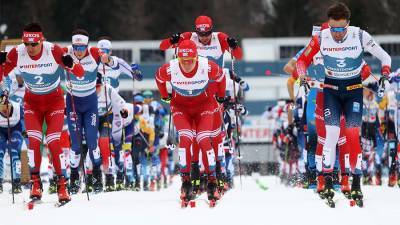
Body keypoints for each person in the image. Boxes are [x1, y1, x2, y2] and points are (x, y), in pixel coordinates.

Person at [296, 2, 392, 205]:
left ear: (348, 24)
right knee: (330, 134)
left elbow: (385, 56)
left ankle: (355, 183)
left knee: (351, 135)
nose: (337, 34)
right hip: (330, 90)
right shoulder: (321, 37)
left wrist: (384, 75)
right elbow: (302, 61)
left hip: (353, 91)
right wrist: (303, 77)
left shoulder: (359, 35)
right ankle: (328, 180)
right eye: (333, 29)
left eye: (341, 29)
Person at [0, 22, 84, 203]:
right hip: (32, 103)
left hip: (54, 102)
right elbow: (3, 74)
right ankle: (35, 183)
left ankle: (62, 184)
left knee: (53, 142)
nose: (30, 48)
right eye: (27, 44)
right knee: (34, 142)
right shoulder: (17, 52)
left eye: (34, 44)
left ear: (41, 41)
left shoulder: (53, 50)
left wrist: (71, 64)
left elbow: (79, 72)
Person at [155, 40, 226, 205]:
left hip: (204, 106)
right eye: (183, 61)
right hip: (181, 107)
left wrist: (221, 96)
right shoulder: (170, 68)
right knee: (185, 139)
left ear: (196, 57)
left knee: (202, 138)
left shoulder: (206, 66)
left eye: (190, 61)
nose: (187, 65)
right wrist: (164, 94)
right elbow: (158, 78)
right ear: (178, 59)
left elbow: (221, 77)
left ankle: (212, 182)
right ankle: (186, 182)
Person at [64, 29, 115, 194]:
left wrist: (107, 58)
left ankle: (97, 176)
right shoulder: (67, 52)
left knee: (93, 142)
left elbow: (108, 58)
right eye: (76, 47)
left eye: (82, 47)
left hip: (90, 103)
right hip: (73, 103)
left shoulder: (93, 52)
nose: (78, 51)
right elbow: (50, 51)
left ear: (87, 46)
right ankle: (73, 177)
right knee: (76, 143)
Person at [0, 92, 24, 194]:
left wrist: (24, 132)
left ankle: (17, 182)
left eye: (7, 109)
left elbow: (24, 122)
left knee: (14, 152)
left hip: (15, 129)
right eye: (2, 110)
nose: (5, 112)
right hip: (1, 130)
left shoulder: (18, 107)